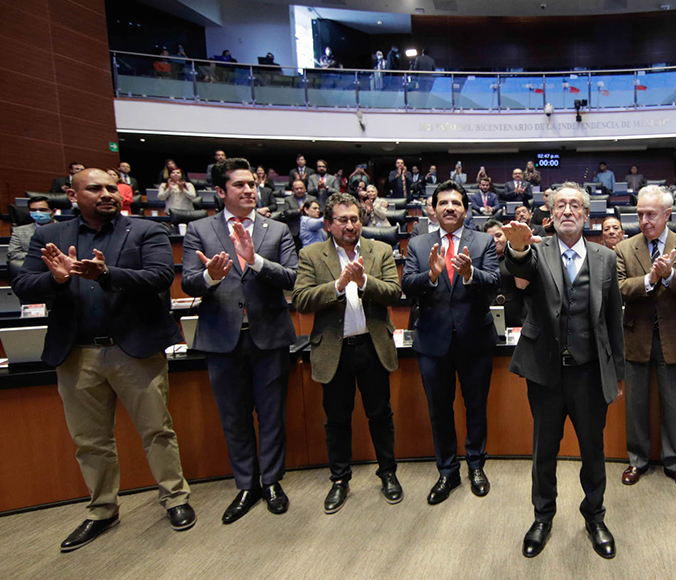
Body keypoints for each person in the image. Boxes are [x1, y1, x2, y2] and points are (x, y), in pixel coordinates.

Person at [13, 168, 195, 552]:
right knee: (90, 440)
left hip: (136, 351)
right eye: (95, 188)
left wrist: (108, 274)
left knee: (157, 431)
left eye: (112, 187)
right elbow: (23, 285)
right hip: (77, 354)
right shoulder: (50, 236)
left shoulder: (145, 230)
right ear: (72, 195)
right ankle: (102, 509)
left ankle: (175, 498)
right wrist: (57, 279)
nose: (107, 193)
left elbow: (161, 276)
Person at [500, 183, 626, 560]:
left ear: (586, 215)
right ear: (551, 214)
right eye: (560, 205)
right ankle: (542, 517)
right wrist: (517, 247)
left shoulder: (605, 258)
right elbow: (517, 269)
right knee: (544, 451)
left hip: (590, 374)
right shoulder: (537, 251)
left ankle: (595, 517)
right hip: (546, 373)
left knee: (593, 450)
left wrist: (617, 373)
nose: (567, 210)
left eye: (575, 205)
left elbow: (613, 320)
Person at [182, 158, 299, 525]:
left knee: (272, 416)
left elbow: (292, 277)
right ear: (221, 191)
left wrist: (256, 261)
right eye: (240, 185)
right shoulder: (199, 230)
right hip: (222, 338)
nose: (249, 190)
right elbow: (188, 282)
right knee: (234, 417)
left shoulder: (276, 229)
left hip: (269, 336)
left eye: (252, 183)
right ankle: (247, 485)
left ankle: (272, 482)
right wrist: (210, 277)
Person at [292, 193, 404, 514]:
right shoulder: (312, 255)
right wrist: (339, 285)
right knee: (337, 420)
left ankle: (388, 474)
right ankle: (340, 480)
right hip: (334, 350)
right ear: (328, 224)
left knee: (380, 415)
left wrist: (364, 281)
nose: (350, 225)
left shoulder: (380, 250)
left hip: (372, 347)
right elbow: (301, 299)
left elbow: (394, 292)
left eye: (354, 219)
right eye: (342, 220)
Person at [401, 180, 499, 505]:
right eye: (443, 203)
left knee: (476, 407)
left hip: (475, 339)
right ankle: (447, 471)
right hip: (433, 341)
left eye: (456, 203)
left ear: (466, 210)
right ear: (433, 209)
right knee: (439, 410)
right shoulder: (419, 244)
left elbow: (494, 282)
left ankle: (476, 466)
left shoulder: (483, 241)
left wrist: (471, 274)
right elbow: (407, 286)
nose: (449, 208)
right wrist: (430, 276)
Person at [616, 185, 676, 491]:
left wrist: (670, 275)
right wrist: (649, 279)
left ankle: (674, 462)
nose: (644, 220)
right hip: (636, 336)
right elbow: (619, 289)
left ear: (668, 214)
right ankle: (637, 460)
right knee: (635, 405)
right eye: (640, 214)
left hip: (673, 337)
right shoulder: (625, 248)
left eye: (651, 214)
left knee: (672, 404)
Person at [483, 219, 528, 328]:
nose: (495, 240)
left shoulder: (517, 255)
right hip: (489, 314)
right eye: (490, 237)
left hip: (517, 312)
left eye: (498, 235)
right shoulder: (481, 261)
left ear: (506, 236)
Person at [7, 195, 55, 274]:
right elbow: (12, 254)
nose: (38, 213)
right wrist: (40, 256)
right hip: (31, 271)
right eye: (34, 210)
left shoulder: (67, 229)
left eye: (43, 210)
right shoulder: (19, 231)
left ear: (54, 211)